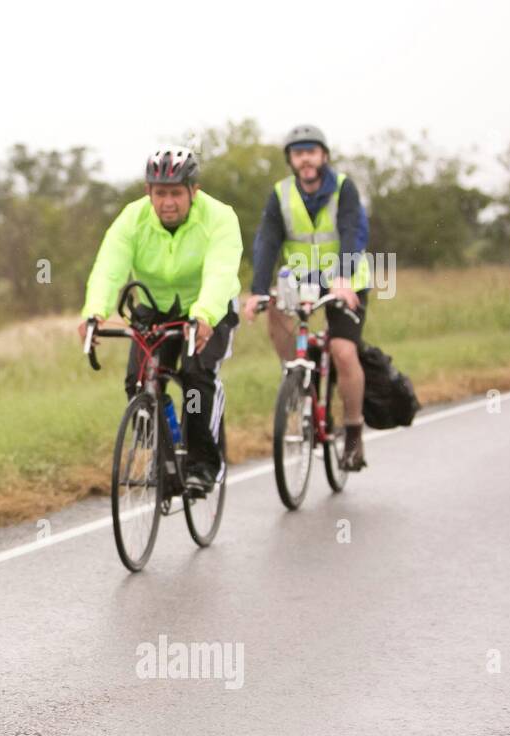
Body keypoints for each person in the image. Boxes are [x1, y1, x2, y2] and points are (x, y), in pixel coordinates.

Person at [80, 146, 243, 494]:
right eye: (160, 193)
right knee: (138, 382)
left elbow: (220, 271)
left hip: (209, 307)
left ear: (193, 191)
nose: (168, 202)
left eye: (175, 193)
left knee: (196, 374)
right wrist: (94, 311)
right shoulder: (131, 218)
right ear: (148, 192)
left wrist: (204, 316)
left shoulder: (220, 217)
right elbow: (109, 267)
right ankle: (167, 456)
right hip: (155, 306)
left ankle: (202, 464)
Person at [242, 124, 372, 470]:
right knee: (275, 311)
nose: (305, 159)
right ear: (291, 160)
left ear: (323, 156)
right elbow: (267, 242)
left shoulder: (344, 188)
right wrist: (257, 291)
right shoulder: (281, 193)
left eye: (311, 151)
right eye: (298, 153)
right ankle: (296, 378)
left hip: (346, 281)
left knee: (343, 352)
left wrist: (342, 278)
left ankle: (354, 432)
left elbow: (351, 231)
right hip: (300, 280)